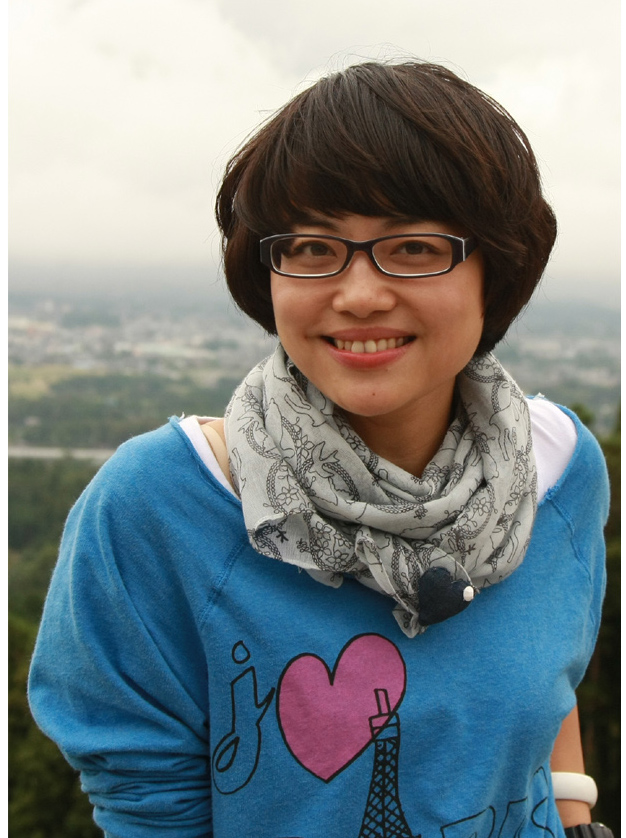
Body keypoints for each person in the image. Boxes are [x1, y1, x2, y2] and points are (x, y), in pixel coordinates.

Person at [28, 60, 611, 838]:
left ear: (496, 270)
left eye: (413, 247)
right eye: (310, 247)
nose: (360, 294)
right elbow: (145, 800)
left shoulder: (558, 469)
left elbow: (548, 671)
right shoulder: (159, 506)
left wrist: (574, 816)